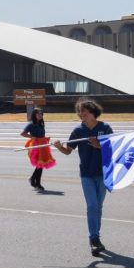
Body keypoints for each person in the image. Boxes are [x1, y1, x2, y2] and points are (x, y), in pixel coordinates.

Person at [54, 98, 113, 256]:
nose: (81, 114)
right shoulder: (78, 131)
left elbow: (113, 150)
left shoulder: (105, 128)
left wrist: (98, 145)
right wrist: (60, 147)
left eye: (83, 112)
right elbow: (68, 151)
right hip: (86, 174)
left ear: (92, 112)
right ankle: (94, 239)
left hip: (103, 173)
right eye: (79, 112)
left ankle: (96, 236)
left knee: (98, 207)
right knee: (92, 206)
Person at [20, 108, 56, 191]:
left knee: (40, 165)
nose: (40, 115)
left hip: (43, 145)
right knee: (40, 165)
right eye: (38, 114)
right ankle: (37, 183)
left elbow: (41, 134)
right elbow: (23, 134)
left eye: (41, 114)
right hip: (36, 146)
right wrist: (31, 137)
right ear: (34, 115)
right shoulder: (31, 124)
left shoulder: (41, 124)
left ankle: (33, 180)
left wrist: (46, 138)